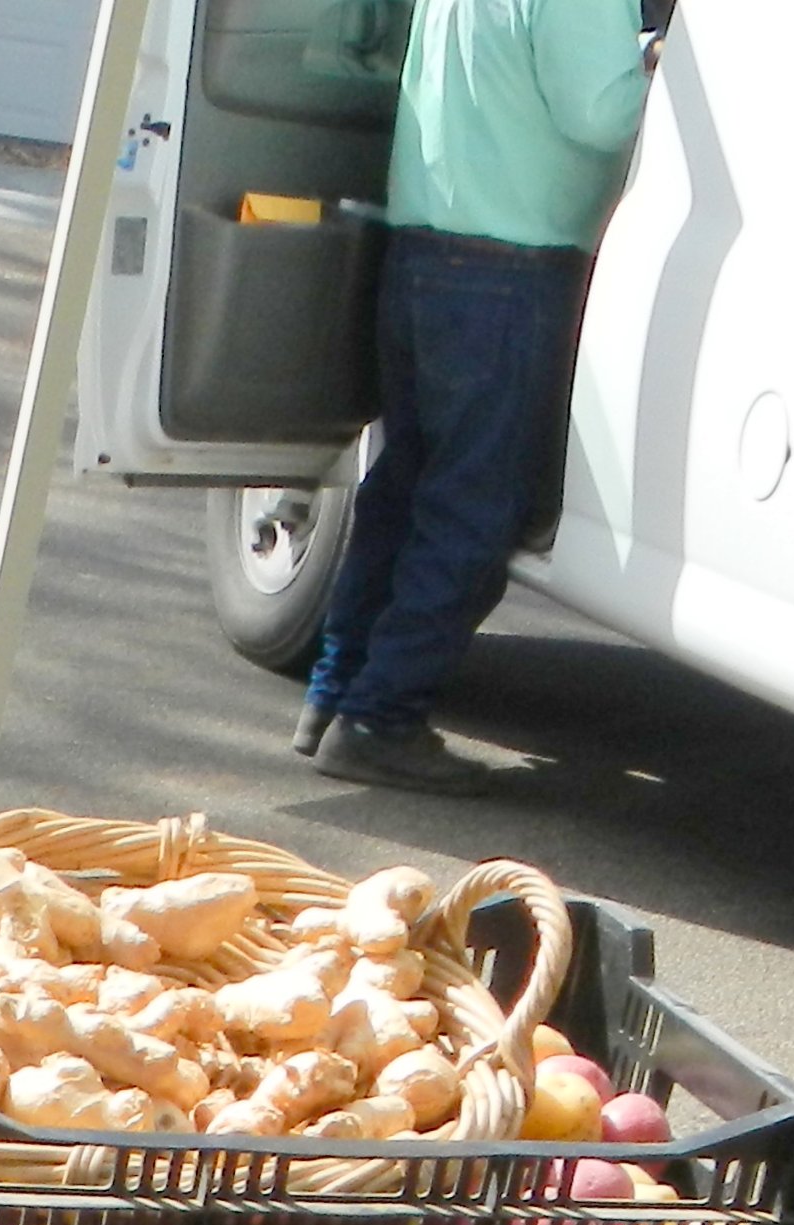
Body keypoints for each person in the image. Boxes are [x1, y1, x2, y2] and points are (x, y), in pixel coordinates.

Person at [294, 0, 651, 794]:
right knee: (474, 509)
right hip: (511, 270)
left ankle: (335, 693)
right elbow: (600, 116)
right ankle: (381, 718)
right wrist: (657, 73)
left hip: (421, 251)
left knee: (403, 489)